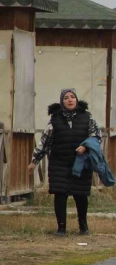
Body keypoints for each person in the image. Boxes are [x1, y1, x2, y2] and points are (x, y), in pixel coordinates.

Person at [27, 89, 101, 237]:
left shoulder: (88, 118)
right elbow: (44, 143)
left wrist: (86, 146)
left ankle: (83, 225)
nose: (70, 100)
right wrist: (34, 161)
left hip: (80, 163)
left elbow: (96, 137)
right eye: (66, 98)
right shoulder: (54, 120)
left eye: (72, 97)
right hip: (59, 163)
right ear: (62, 102)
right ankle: (61, 228)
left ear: (77, 100)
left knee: (81, 195)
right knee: (60, 195)